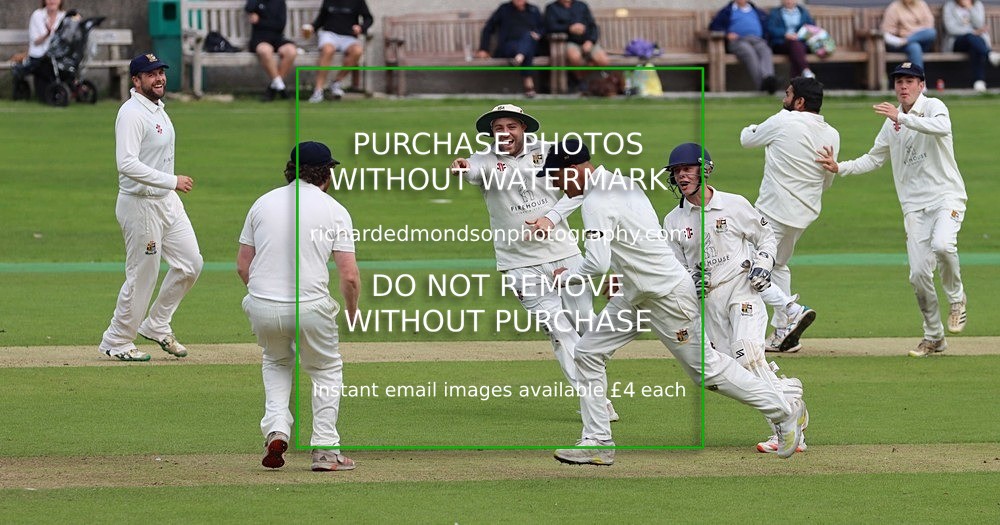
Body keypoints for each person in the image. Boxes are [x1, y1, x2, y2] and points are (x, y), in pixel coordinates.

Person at [542, 139, 806, 466]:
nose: (552, 183)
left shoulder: (596, 201)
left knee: (706, 372)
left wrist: (564, 276)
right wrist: (624, 275)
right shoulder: (623, 183)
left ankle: (782, 409)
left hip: (665, 296)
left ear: (572, 170)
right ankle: (597, 441)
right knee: (587, 352)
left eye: (554, 176)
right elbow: (642, 239)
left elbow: (596, 263)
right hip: (635, 293)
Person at [448, 104, 617, 421]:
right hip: (519, 263)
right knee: (559, 331)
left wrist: (551, 219)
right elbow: (469, 168)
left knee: (586, 325)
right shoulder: (485, 159)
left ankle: (596, 382)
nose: (505, 133)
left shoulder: (550, 153)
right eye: (498, 127)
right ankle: (597, 401)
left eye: (511, 126)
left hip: (565, 254)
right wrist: (460, 166)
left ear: (523, 128)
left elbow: (581, 188)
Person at [662, 143, 808, 455]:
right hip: (710, 302)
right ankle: (790, 396)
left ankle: (786, 429)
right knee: (738, 371)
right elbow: (677, 268)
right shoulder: (673, 222)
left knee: (747, 352)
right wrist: (690, 281)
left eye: (687, 169)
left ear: (705, 170)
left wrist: (763, 265)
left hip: (742, 289)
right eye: (676, 171)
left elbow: (766, 237)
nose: (681, 176)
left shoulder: (733, 205)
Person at [817, 62, 968, 357]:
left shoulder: (934, 106)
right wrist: (840, 166)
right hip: (914, 206)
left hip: (946, 196)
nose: (903, 86)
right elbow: (874, 159)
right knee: (918, 275)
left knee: (943, 244)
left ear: (921, 85)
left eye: (909, 81)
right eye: (899, 81)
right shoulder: (891, 123)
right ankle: (934, 337)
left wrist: (901, 117)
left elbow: (942, 128)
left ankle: (957, 298)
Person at [237, 141, 360, 472]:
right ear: (326, 174)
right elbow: (348, 276)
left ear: (291, 170)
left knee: (276, 362)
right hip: (310, 305)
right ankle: (325, 452)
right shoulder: (334, 209)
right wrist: (352, 310)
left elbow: (242, 265)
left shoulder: (262, 204)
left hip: (261, 303)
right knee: (324, 369)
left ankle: (277, 428)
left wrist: (265, 298)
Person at [99, 53, 204, 362]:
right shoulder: (131, 113)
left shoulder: (157, 108)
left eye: (160, 72)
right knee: (143, 274)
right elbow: (126, 163)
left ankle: (157, 324)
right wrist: (171, 181)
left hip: (166, 202)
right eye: (151, 74)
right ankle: (117, 340)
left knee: (191, 263)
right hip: (140, 204)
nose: (159, 78)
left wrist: (168, 188)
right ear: (136, 80)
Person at [740, 77, 839, 353]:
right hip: (804, 214)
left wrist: (759, 125)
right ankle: (783, 331)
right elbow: (827, 179)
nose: (783, 98)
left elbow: (747, 139)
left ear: (799, 102)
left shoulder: (783, 121)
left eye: (788, 94)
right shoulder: (832, 134)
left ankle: (792, 310)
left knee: (746, 267)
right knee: (779, 266)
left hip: (772, 211)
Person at [303, 0, 373, 103]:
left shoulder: (358, 1)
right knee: (328, 50)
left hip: (348, 37)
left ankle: (336, 82)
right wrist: (312, 27)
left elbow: (369, 19)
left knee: (357, 51)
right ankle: (318, 91)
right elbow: (321, 18)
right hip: (329, 35)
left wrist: (361, 28)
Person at [477, 0, 546, 97]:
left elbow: (543, 28)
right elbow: (488, 28)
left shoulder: (533, 10)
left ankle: (520, 56)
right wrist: (483, 49)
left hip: (531, 45)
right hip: (509, 46)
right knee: (527, 48)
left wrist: (538, 34)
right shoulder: (504, 9)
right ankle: (528, 82)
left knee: (528, 36)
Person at [709, 0, 778, 93]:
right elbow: (714, 26)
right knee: (749, 52)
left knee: (765, 50)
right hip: (738, 41)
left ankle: (768, 79)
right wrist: (727, 34)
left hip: (757, 40)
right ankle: (762, 84)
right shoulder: (727, 11)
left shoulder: (756, 10)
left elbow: (767, 27)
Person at [544, 0, 609, 92]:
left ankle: (578, 77)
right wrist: (569, 28)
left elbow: (593, 26)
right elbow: (550, 27)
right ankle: (581, 81)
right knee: (574, 57)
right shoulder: (552, 8)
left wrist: (590, 41)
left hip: (587, 41)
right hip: (568, 41)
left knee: (603, 60)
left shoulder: (582, 6)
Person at [11, 0, 66, 100]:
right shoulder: (37, 15)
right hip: (39, 56)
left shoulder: (65, 16)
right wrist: (47, 34)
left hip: (57, 57)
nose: (52, 1)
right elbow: (35, 41)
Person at [245, 0, 298, 101]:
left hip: (277, 38)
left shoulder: (280, 2)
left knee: (291, 51)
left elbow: (280, 25)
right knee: (266, 51)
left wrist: (260, 21)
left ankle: (273, 88)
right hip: (259, 38)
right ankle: (281, 88)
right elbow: (248, 8)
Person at [943, 0, 1000, 92]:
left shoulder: (977, 5)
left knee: (975, 46)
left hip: (976, 42)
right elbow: (951, 29)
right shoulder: (949, 6)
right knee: (971, 38)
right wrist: (972, 32)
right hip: (957, 42)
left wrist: (970, 8)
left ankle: (979, 82)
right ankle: (989, 54)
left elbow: (980, 24)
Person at [767, 0, 816, 79]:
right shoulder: (775, 13)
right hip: (781, 43)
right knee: (795, 46)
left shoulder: (803, 12)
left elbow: (811, 27)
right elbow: (770, 29)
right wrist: (785, 34)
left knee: (795, 49)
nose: (789, 1)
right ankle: (806, 70)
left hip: (801, 42)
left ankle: (794, 86)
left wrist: (800, 34)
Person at [881, 0, 937, 69]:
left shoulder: (922, 4)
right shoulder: (894, 7)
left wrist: (912, 35)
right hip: (903, 47)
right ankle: (919, 78)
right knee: (915, 47)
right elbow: (887, 31)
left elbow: (929, 26)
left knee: (931, 32)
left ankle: (906, 40)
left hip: (920, 41)